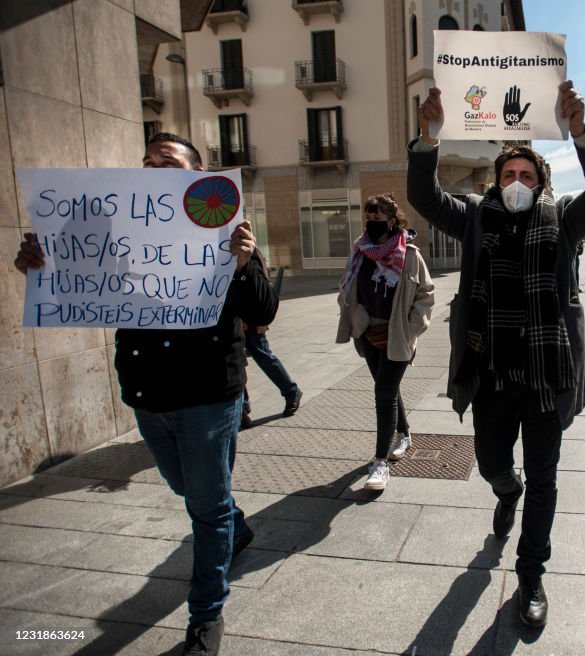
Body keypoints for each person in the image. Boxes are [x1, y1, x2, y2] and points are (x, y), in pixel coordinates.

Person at [14, 132, 277, 656]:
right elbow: (82, 281)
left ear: (197, 176)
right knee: (188, 489)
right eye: (148, 162)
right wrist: (44, 265)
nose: (155, 169)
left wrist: (243, 264)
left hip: (207, 394)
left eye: (168, 163)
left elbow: (262, 312)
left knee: (205, 507)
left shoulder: (225, 230)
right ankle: (235, 524)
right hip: (146, 391)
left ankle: (206, 615)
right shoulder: (117, 225)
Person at [409, 81, 585, 628]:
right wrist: (427, 140)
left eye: (526, 175)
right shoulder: (476, 217)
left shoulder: (565, 219)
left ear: (540, 182)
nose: (517, 182)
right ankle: (507, 491)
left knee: (545, 479)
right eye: (508, 175)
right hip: (493, 375)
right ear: (495, 182)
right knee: (491, 463)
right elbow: (425, 199)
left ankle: (531, 575)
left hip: (547, 378)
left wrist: (581, 134)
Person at [336, 193, 435, 491]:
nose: (372, 223)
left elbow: (426, 295)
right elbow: (347, 286)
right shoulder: (360, 251)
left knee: (383, 393)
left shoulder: (410, 254)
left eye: (378, 218)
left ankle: (380, 462)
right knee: (387, 388)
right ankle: (404, 433)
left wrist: (409, 330)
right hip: (369, 335)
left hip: (398, 335)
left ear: (392, 221)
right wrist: (355, 316)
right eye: (369, 218)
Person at [239, 249, 302, 429]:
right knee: (236, 360)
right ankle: (242, 407)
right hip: (231, 319)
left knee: (262, 355)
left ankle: (291, 391)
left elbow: (260, 287)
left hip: (250, 317)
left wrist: (261, 319)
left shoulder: (248, 251)